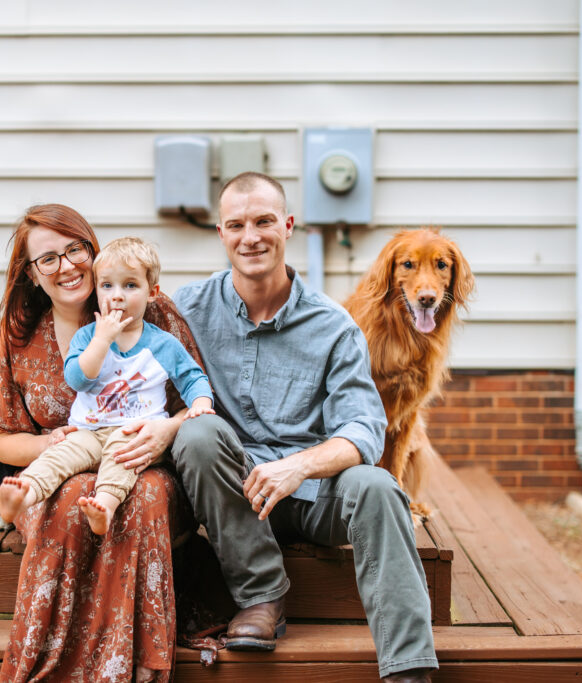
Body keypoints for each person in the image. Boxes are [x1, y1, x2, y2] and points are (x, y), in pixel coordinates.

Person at [171, 172, 439, 682]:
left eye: (264, 221)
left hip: (316, 492)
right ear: (222, 234)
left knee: (379, 486)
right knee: (198, 434)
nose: (251, 236)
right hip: (231, 493)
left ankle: (409, 669)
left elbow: (363, 428)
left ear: (287, 225)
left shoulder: (332, 325)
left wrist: (298, 466)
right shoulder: (186, 310)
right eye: (237, 224)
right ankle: (262, 598)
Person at [0, 205, 202, 682]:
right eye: (48, 258)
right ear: (31, 274)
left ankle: (133, 669)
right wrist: (49, 444)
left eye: (75, 250)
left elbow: (198, 398)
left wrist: (166, 432)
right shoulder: (17, 335)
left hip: (142, 462)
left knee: (143, 497)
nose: (66, 266)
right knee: (72, 496)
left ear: (93, 254)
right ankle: (46, 667)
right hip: (56, 469)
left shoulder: (150, 311)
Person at [0, 237, 214, 535]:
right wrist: (102, 340)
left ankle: (106, 506)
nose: (117, 296)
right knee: (60, 456)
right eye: (107, 286)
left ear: (153, 293)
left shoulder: (163, 343)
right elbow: (76, 378)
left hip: (135, 433)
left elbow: (192, 377)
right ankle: (25, 494)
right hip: (87, 431)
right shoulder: (87, 338)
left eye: (130, 285)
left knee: (122, 459)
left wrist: (201, 402)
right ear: (97, 291)